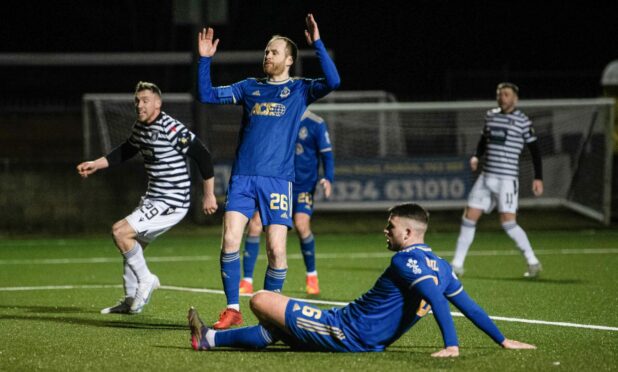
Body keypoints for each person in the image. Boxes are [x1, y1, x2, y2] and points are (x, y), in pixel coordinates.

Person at [187, 203, 537, 356]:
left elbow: (437, 299)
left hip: (346, 331)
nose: (385, 231)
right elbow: (468, 305)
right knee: (279, 326)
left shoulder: (407, 261)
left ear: (409, 231)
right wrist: (502, 340)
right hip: (354, 330)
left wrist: (452, 345)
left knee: (260, 299)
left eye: (391, 227)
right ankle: (210, 340)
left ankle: (212, 339)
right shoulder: (441, 264)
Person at [196, 14, 340, 329]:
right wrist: (204, 61)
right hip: (243, 178)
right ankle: (233, 308)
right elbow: (208, 95)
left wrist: (317, 43)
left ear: (289, 59)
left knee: (276, 250)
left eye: (273, 52)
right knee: (230, 239)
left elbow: (333, 81)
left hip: (278, 181)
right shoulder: (249, 87)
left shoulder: (300, 90)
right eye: (265, 51)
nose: (267, 56)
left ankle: (269, 316)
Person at [77, 81, 217, 314]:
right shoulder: (140, 128)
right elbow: (125, 151)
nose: (140, 105)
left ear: (158, 104)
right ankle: (131, 300)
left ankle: (147, 279)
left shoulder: (171, 128)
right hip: (154, 198)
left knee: (120, 232)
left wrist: (209, 195)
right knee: (131, 245)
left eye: (145, 101)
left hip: (172, 200)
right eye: (137, 101)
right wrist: (96, 164)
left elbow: (202, 155)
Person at [451, 82, 544, 278]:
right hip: (486, 177)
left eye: (506, 95)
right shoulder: (491, 116)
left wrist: (538, 177)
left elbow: (535, 151)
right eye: (500, 94)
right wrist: (477, 155)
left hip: (507, 180)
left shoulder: (523, 121)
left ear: (515, 99)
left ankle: (532, 261)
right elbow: (483, 141)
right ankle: (456, 265)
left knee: (508, 223)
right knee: (469, 217)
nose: (502, 98)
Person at [239, 110, 335, 296]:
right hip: (276, 184)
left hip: (303, 187)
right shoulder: (278, 118)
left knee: (301, 224)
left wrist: (328, 178)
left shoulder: (315, 123)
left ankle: (312, 276)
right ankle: (247, 281)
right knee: (255, 225)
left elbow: (327, 155)